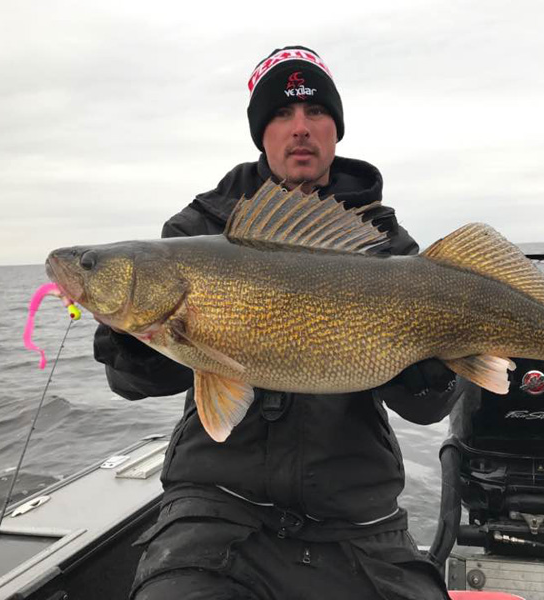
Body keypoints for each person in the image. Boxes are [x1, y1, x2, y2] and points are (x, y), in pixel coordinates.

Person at [94, 45, 460, 600]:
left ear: (336, 129)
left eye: (316, 112)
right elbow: (132, 384)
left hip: (357, 517)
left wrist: (421, 370)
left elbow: (430, 409)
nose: (300, 128)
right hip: (216, 507)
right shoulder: (196, 232)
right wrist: (137, 344)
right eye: (282, 115)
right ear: (261, 134)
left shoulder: (387, 246)